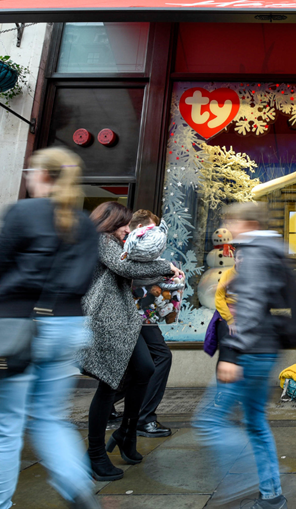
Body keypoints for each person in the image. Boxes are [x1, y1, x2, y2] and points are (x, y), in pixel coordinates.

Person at [0, 147, 101, 509]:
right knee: (49, 418)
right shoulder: (85, 223)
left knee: (5, 427)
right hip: (69, 326)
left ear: (43, 175)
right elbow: (84, 278)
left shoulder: (23, 212)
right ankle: (77, 485)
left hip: (18, 324)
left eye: (30, 171)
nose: (28, 177)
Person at [194, 202, 289, 509]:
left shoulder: (253, 253)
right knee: (256, 423)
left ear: (248, 224)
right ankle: (271, 495)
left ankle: (245, 474)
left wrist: (231, 354)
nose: (228, 227)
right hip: (263, 349)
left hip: (248, 352)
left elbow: (248, 307)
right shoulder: (268, 250)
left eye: (232, 221)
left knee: (210, 421)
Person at [82, 202, 180, 481]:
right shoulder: (102, 240)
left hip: (123, 319)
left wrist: (166, 272)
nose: (128, 229)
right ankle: (95, 454)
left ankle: (126, 432)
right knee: (109, 385)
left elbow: (133, 271)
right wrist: (165, 266)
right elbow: (124, 268)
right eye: (124, 224)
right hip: (106, 319)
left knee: (145, 369)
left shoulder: (117, 243)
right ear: (110, 222)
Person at [119, 209, 178, 439]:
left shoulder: (129, 246)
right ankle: (144, 418)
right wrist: (167, 269)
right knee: (160, 357)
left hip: (141, 315)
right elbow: (137, 272)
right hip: (137, 315)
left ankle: (117, 409)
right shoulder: (131, 246)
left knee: (140, 364)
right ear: (142, 228)